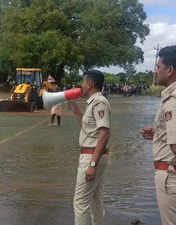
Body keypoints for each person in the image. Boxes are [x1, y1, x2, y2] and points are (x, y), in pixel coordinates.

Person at [139, 45, 176, 225]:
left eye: (158, 67)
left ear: (170, 70)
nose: (156, 71)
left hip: (171, 176)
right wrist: (158, 132)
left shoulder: (173, 99)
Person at [68, 70, 111, 225]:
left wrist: (92, 164)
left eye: (83, 82)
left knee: (80, 202)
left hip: (92, 156)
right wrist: (73, 106)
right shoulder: (94, 102)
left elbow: (104, 133)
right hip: (95, 155)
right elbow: (88, 128)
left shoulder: (99, 102)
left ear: (90, 84)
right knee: (95, 199)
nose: (81, 85)